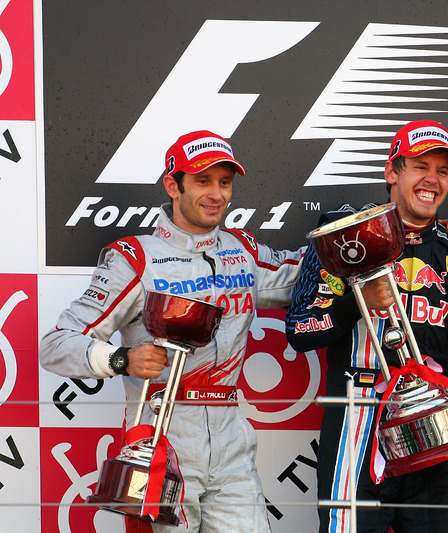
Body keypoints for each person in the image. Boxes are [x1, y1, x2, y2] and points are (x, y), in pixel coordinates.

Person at [40, 130, 305, 533]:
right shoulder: (135, 258)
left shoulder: (243, 251)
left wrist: (408, 234)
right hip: (161, 434)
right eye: (202, 181)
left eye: (225, 182)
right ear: (172, 185)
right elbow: (54, 345)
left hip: (231, 433)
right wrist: (121, 359)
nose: (217, 193)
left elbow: (310, 275)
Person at [285, 119, 448, 533]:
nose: (432, 180)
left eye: (443, 171)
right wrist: (356, 305)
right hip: (357, 418)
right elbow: (300, 331)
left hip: (436, 419)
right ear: (392, 172)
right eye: (421, 166)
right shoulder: (341, 239)